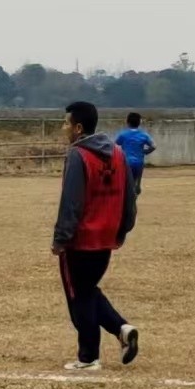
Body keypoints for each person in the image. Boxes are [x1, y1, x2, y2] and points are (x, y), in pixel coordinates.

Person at [53, 100, 140, 370]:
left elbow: (72, 202)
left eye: (66, 123)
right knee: (88, 290)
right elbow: (129, 196)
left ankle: (88, 356)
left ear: (78, 127)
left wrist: (61, 238)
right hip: (106, 237)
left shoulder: (77, 155)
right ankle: (122, 329)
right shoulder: (117, 153)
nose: (64, 127)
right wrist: (123, 228)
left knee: (78, 297)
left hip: (80, 241)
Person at [114, 111, 156, 195]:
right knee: (136, 183)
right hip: (139, 162)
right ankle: (135, 195)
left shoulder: (123, 135)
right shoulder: (144, 135)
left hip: (126, 162)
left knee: (126, 184)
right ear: (139, 122)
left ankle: (128, 201)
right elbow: (153, 146)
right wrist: (144, 152)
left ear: (127, 122)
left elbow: (115, 145)